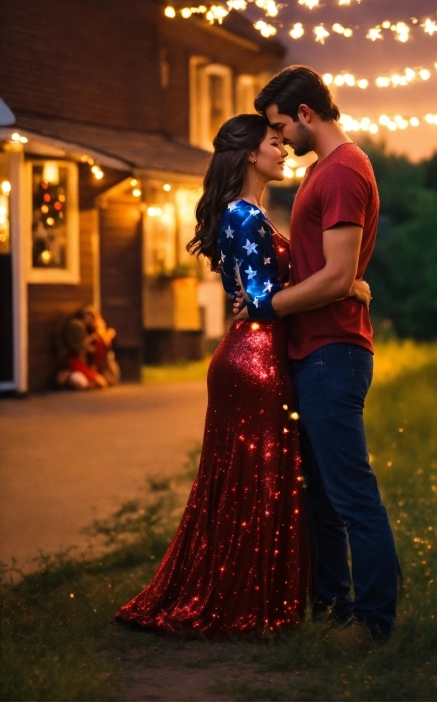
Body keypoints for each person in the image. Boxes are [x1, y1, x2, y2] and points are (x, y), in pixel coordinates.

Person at [115, 114, 370, 638]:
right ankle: (241, 601)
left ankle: (256, 591)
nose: (284, 151)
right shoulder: (245, 218)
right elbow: (256, 301)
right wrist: (344, 288)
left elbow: (263, 295)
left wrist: (335, 286)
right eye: (274, 143)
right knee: (256, 482)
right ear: (251, 154)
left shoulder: (249, 214)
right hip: (254, 361)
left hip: (256, 352)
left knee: (257, 481)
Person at [244, 66, 401, 642]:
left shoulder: (342, 172)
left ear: (306, 113)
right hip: (314, 350)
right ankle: (331, 606)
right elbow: (334, 271)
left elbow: (335, 276)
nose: (280, 138)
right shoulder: (321, 173)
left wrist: (266, 307)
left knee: (352, 494)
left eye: (281, 126)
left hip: (334, 351)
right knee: (323, 498)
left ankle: (375, 621)